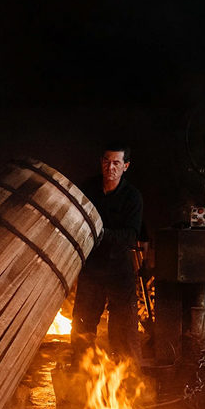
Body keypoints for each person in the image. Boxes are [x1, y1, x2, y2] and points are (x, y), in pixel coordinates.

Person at [71, 143, 143, 363]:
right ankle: (79, 381)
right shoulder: (88, 188)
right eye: (106, 161)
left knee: (124, 333)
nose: (110, 167)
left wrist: (100, 234)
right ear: (101, 162)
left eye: (116, 163)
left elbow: (131, 236)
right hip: (92, 268)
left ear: (126, 166)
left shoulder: (132, 197)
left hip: (119, 269)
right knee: (82, 328)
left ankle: (130, 387)